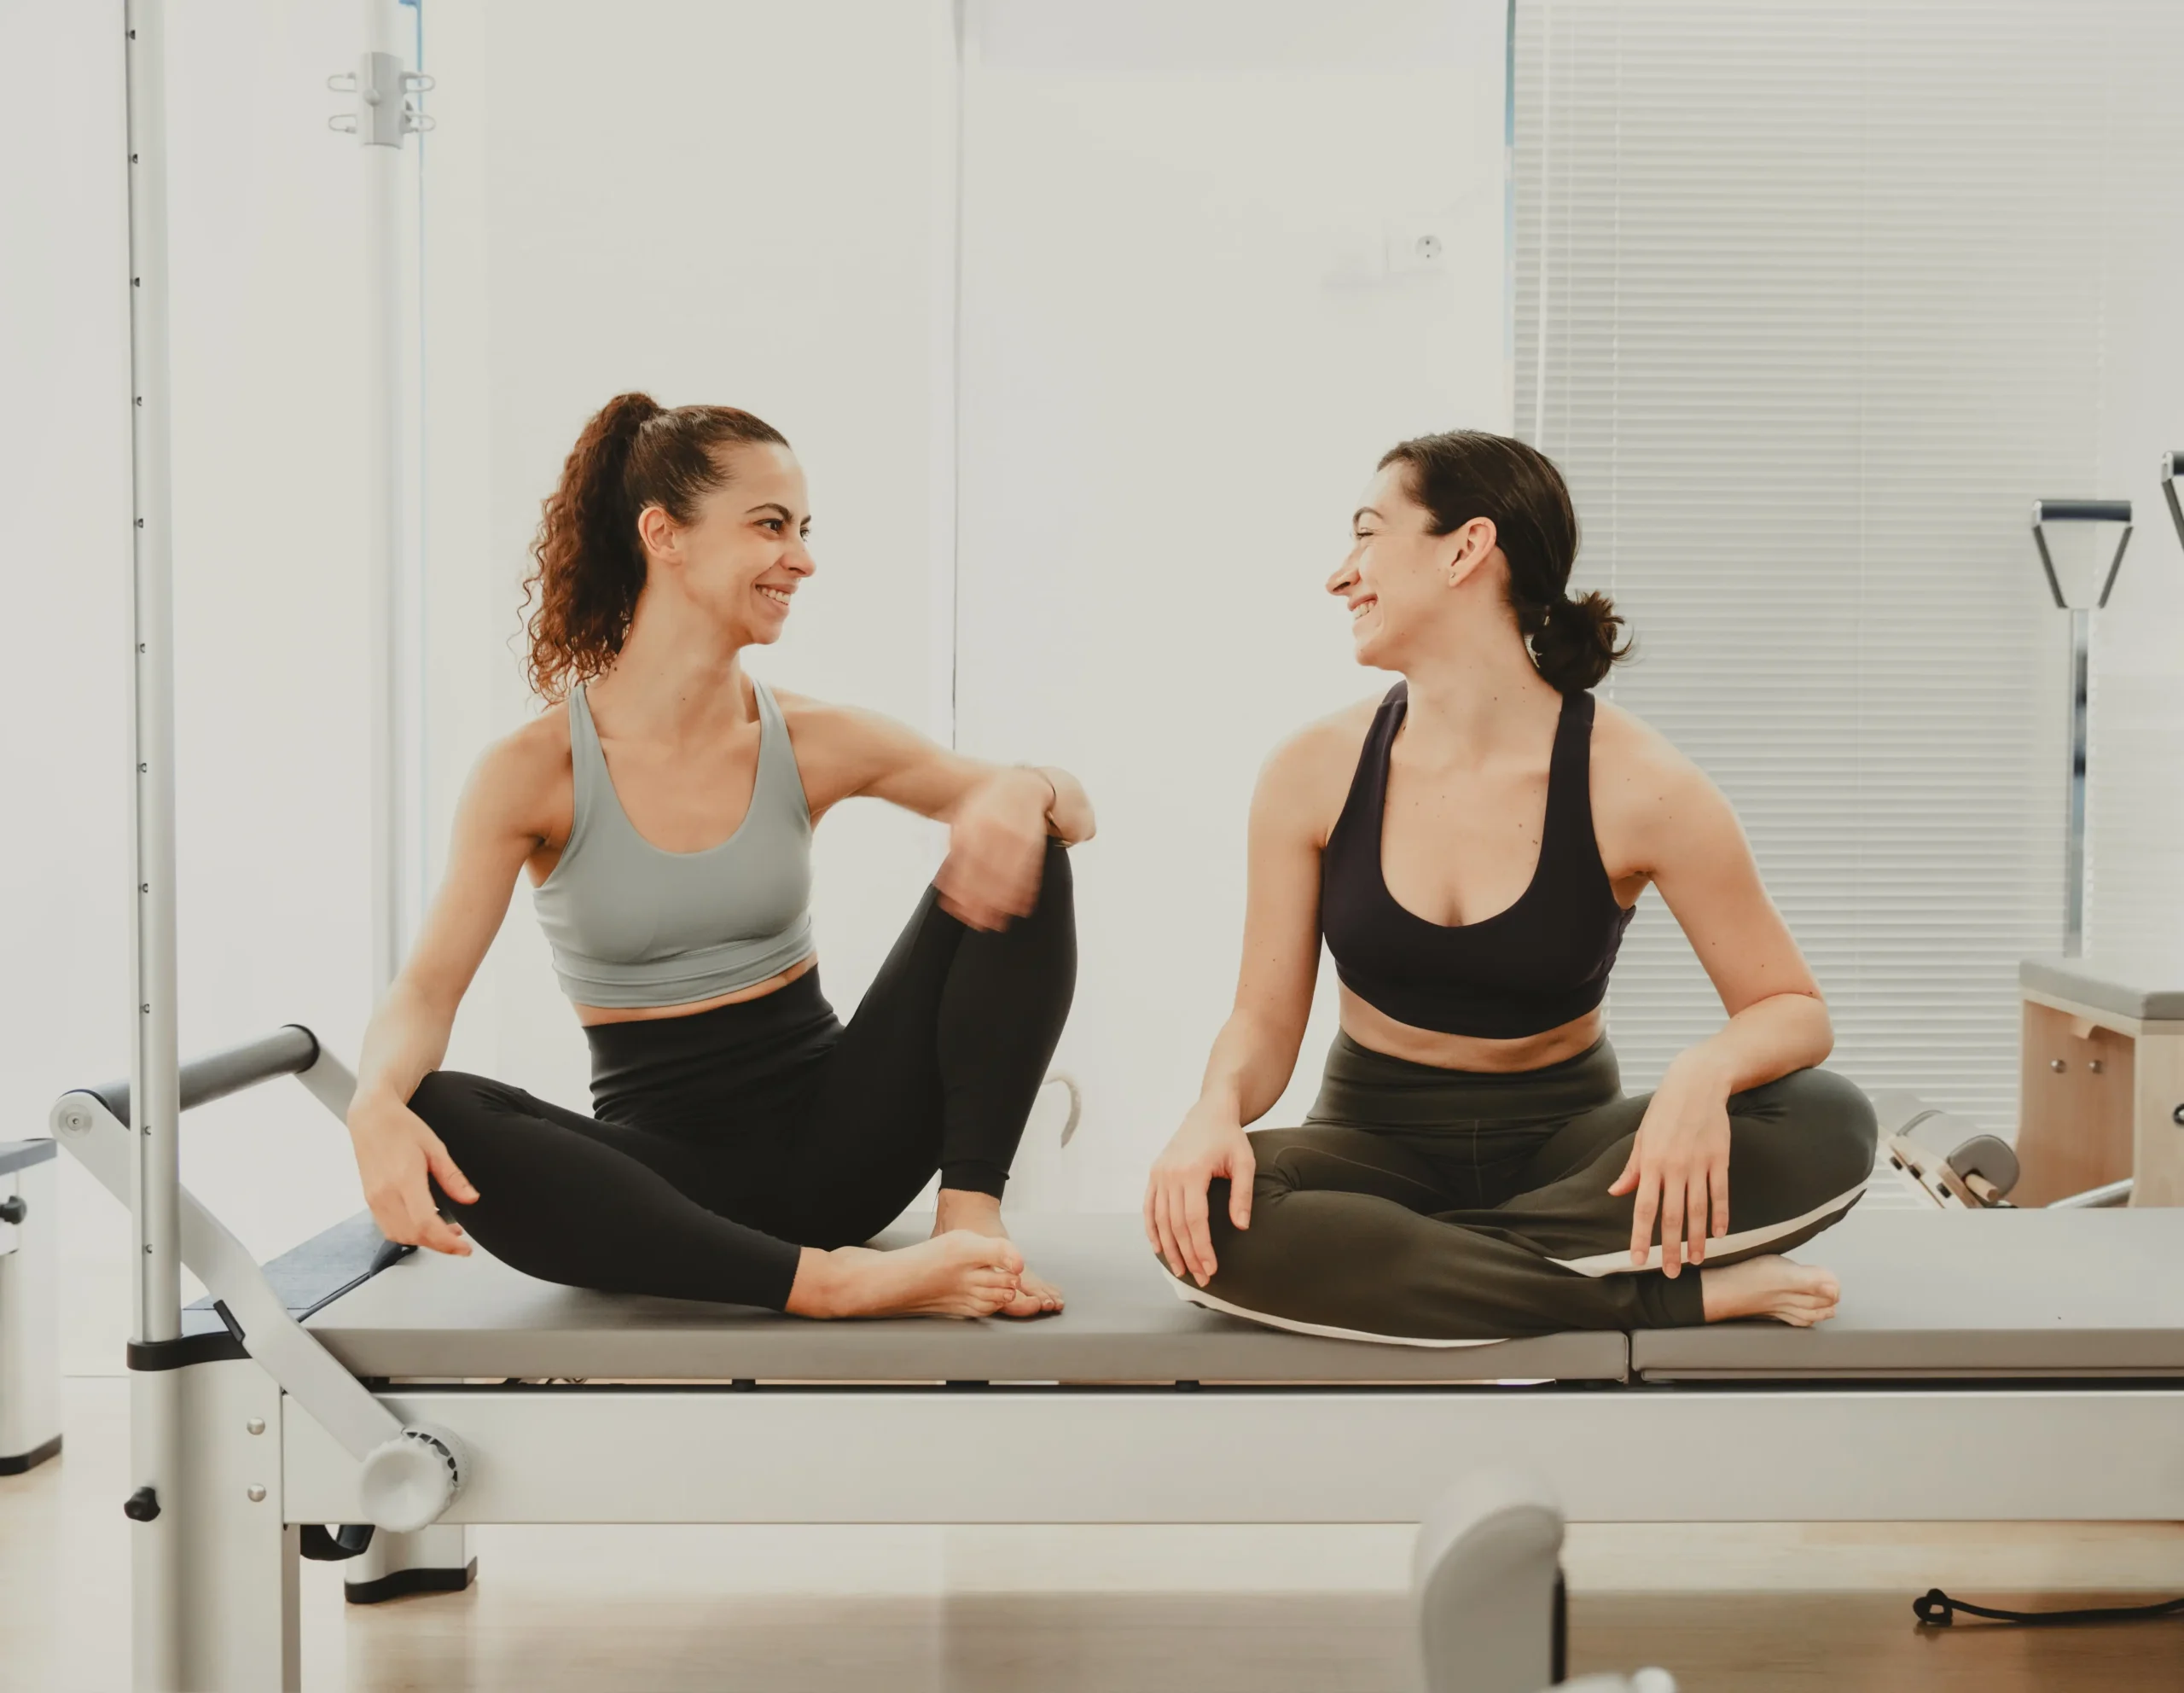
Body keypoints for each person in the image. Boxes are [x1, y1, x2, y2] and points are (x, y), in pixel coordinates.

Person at [346, 393, 1090, 1321]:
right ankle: (829, 1284)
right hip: (670, 1188)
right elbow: (425, 993)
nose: (803, 558)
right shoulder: (534, 773)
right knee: (441, 1105)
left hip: (845, 1144)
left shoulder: (811, 738)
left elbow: (1071, 811)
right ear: (666, 534)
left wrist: (1026, 788)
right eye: (770, 525)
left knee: (1031, 839)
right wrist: (373, 1101)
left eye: (805, 529)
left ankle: (969, 1219)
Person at [1143, 430, 1874, 1344]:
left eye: (1367, 535)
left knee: (1831, 1117)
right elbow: (1262, 1020)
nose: (1342, 576)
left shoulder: (1639, 783)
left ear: (1465, 548)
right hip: (1376, 1148)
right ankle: (1648, 1293)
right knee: (1202, 1215)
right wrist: (1211, 1109)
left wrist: (1705, 1070)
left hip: (1571, 1159)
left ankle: (1405, 1271)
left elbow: (1790, 1009)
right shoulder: (1310, 770)